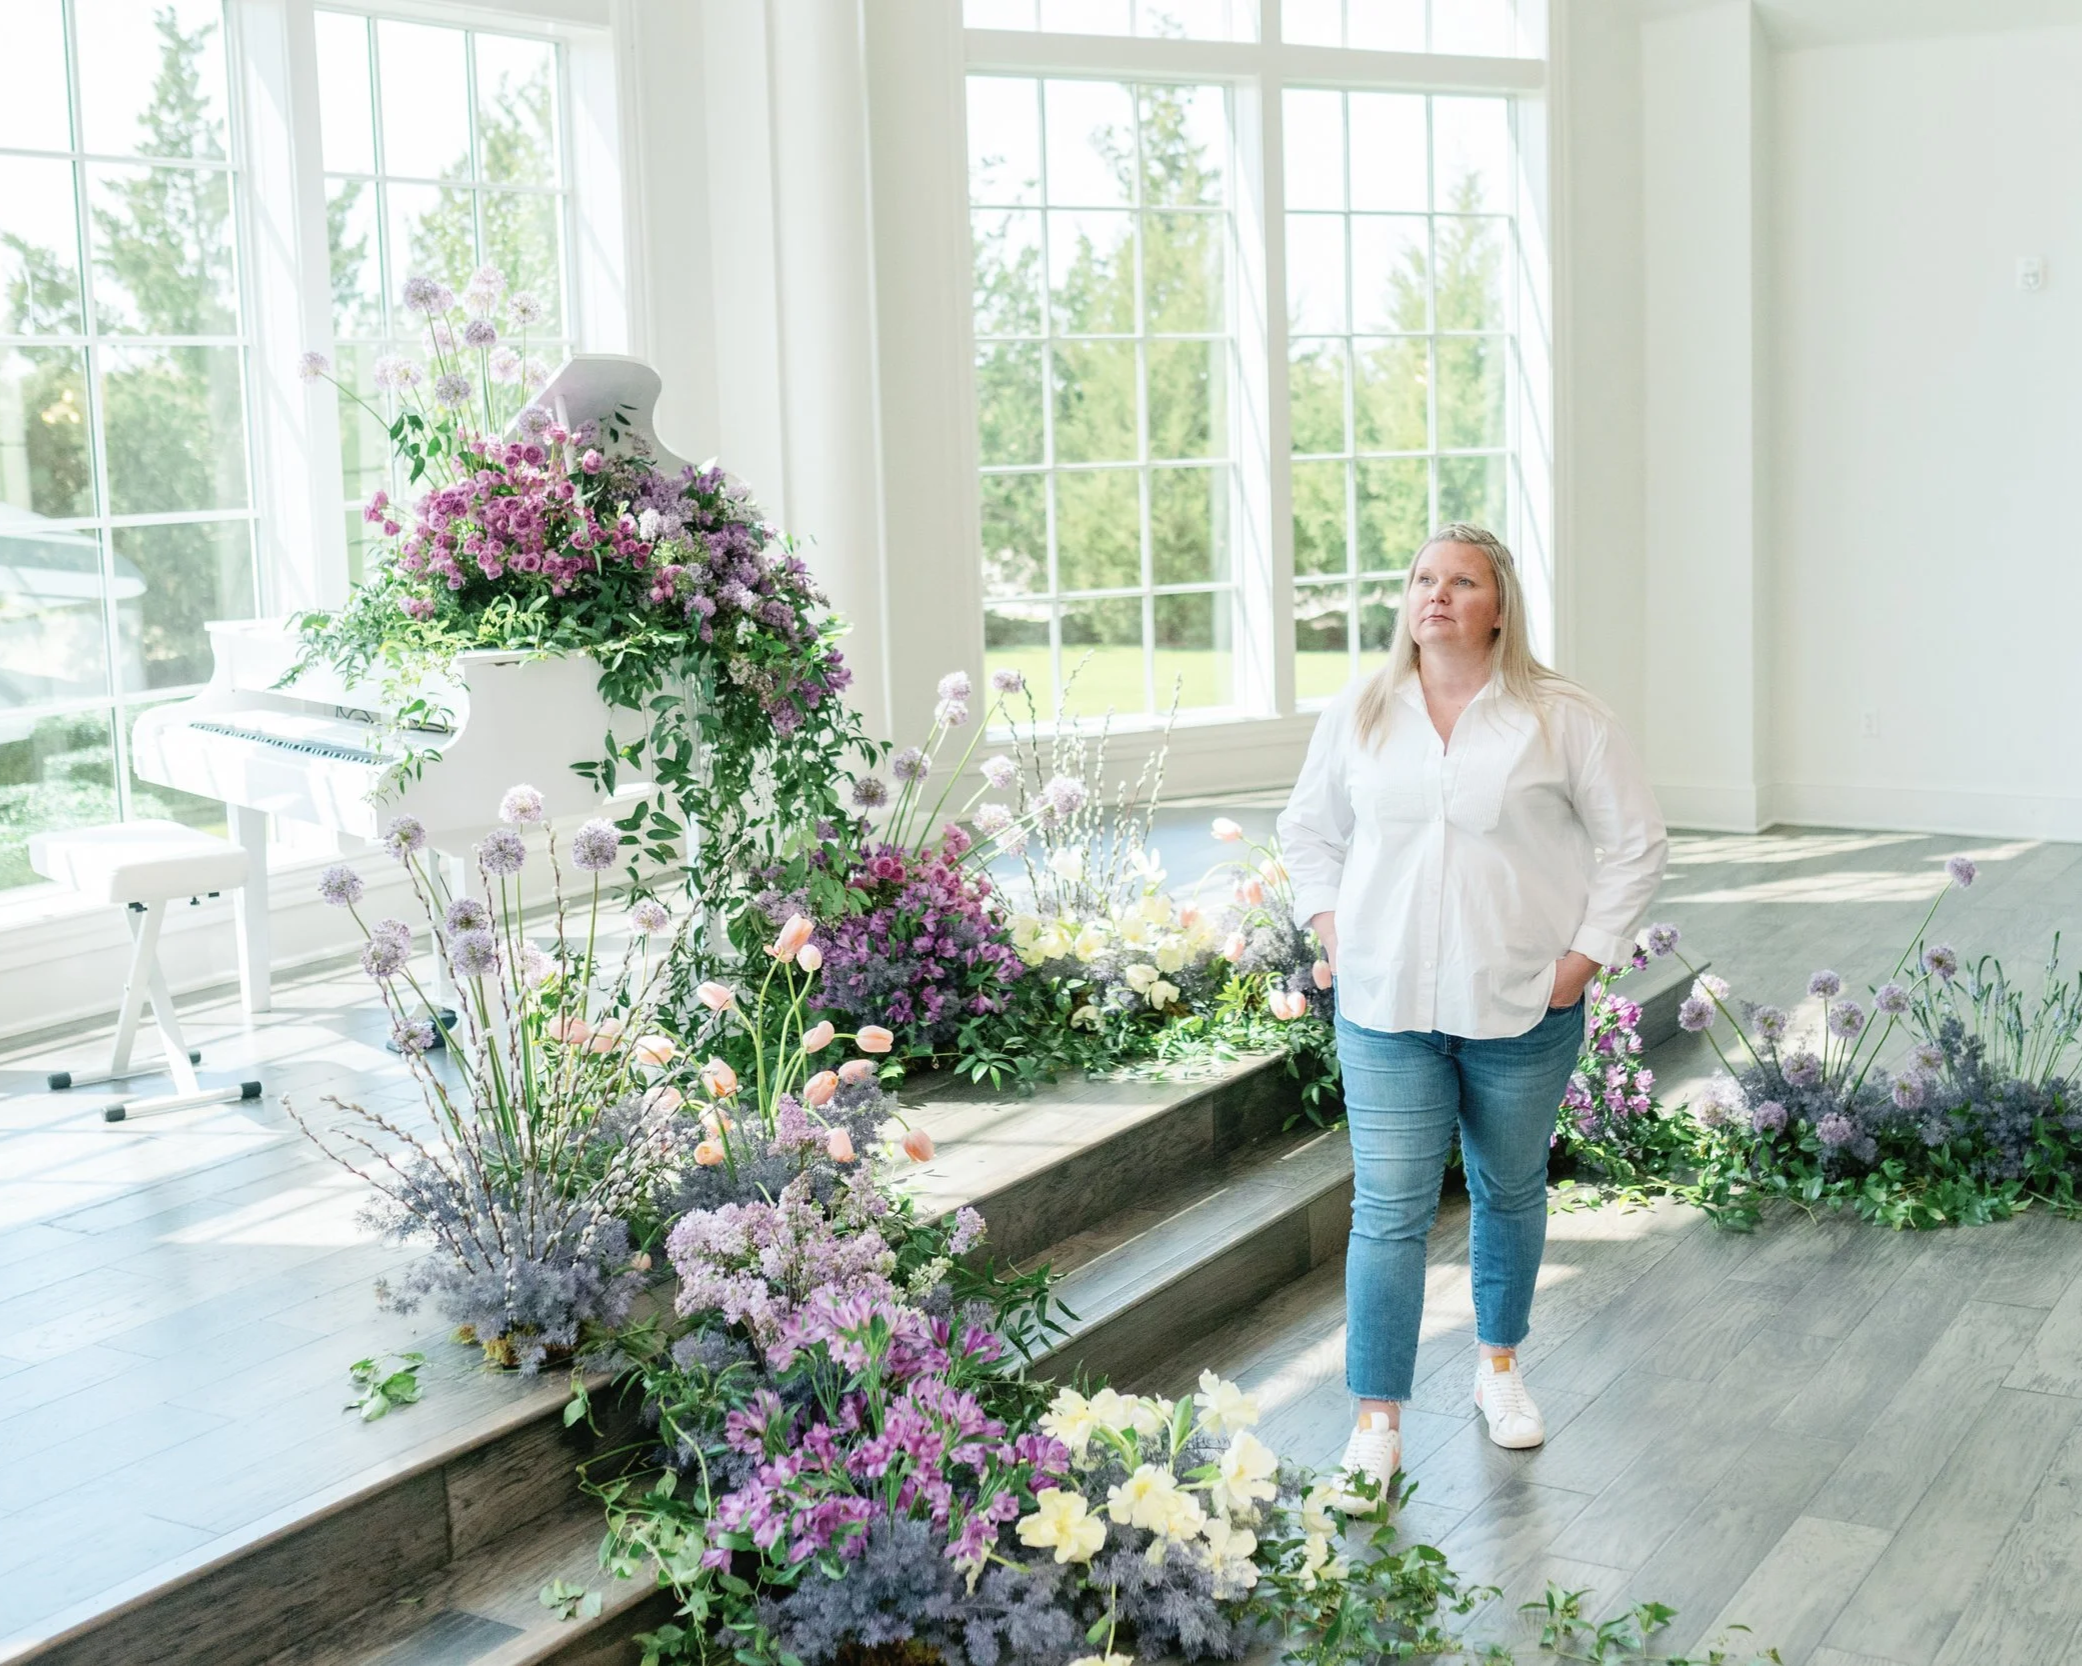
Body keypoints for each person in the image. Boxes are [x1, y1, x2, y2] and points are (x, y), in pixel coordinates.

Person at [1276, 523, 1667, 1490]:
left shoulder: (1560, 718)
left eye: (1462, 581)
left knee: (1509, 1190)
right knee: (1389, 1212)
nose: (1436, 595)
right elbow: (1307, 830)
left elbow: (1637, 841)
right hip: (1385, 1006)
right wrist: (1329, 925)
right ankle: (1377, 1417)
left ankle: (1499, 1367)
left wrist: (1583, 960)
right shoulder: (1362, 712)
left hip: (1522, 1007)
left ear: (1501, 608)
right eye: (1421, 579)